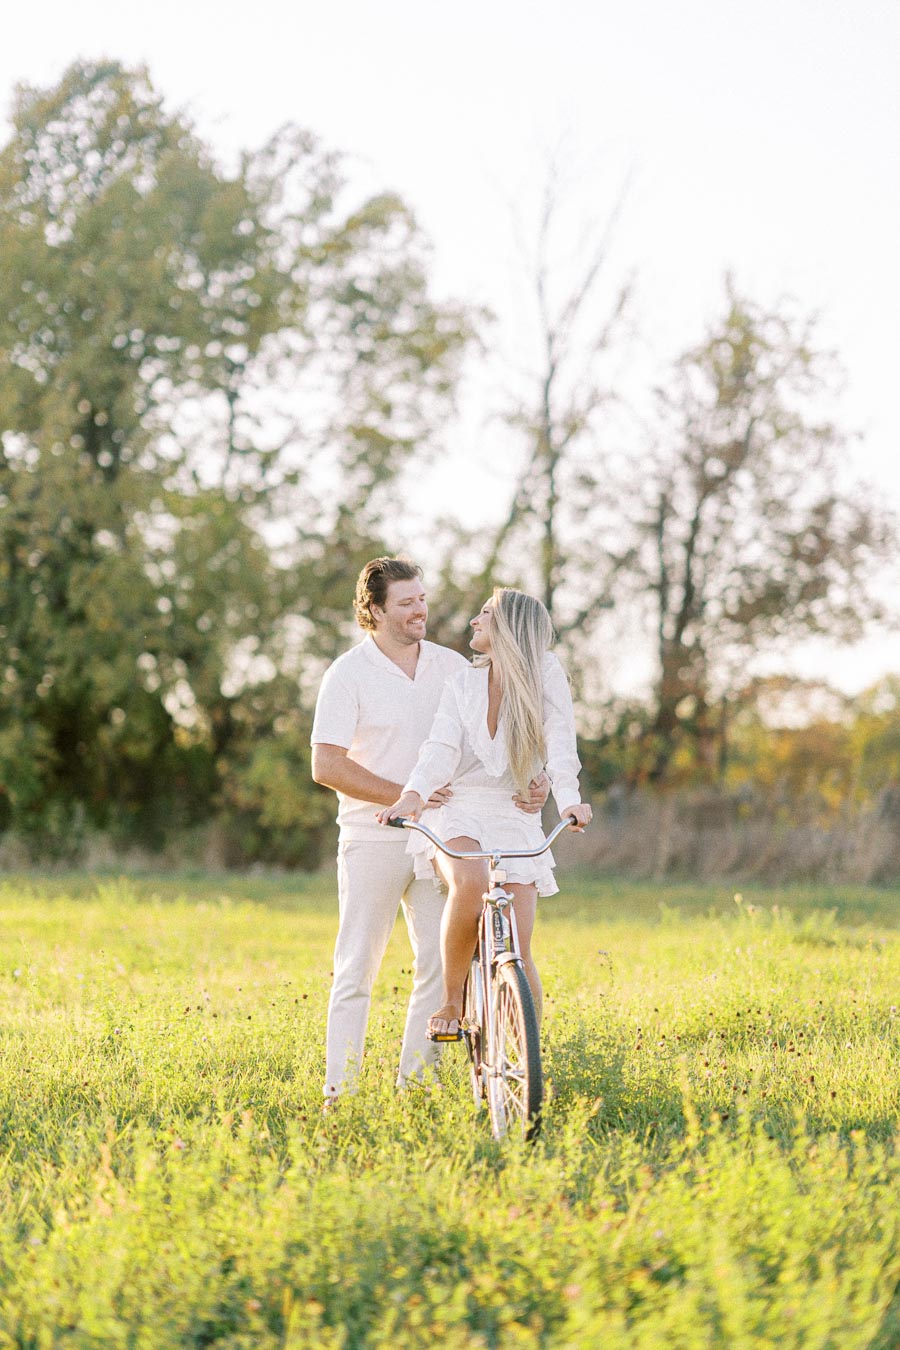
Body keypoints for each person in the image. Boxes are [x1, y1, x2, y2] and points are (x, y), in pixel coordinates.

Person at [310, 558, 548, 1102]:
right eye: (407, 603)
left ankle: (414, 1088)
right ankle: (339, 1094)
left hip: (442, 836)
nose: (421, 611)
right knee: (356, 968)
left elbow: (497, 738)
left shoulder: (454, 668)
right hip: (372, 836)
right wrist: (404, 795)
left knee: (439, 964)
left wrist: (532, 783)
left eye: (422, 599)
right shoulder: (347, 673)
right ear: (373, 610)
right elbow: (326, 765)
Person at [378, 587, 591, 1040]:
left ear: (510, 628)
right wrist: (414, 795)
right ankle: (453, 999)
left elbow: (560, 743)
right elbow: (439, 748)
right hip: (458, 806)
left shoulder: (546, 675)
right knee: (472, 881)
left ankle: (525, 1056)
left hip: (513, 812)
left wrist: (567, 798)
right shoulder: (463, 684)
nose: (474, 621)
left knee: (520, 940)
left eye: (485, 614)